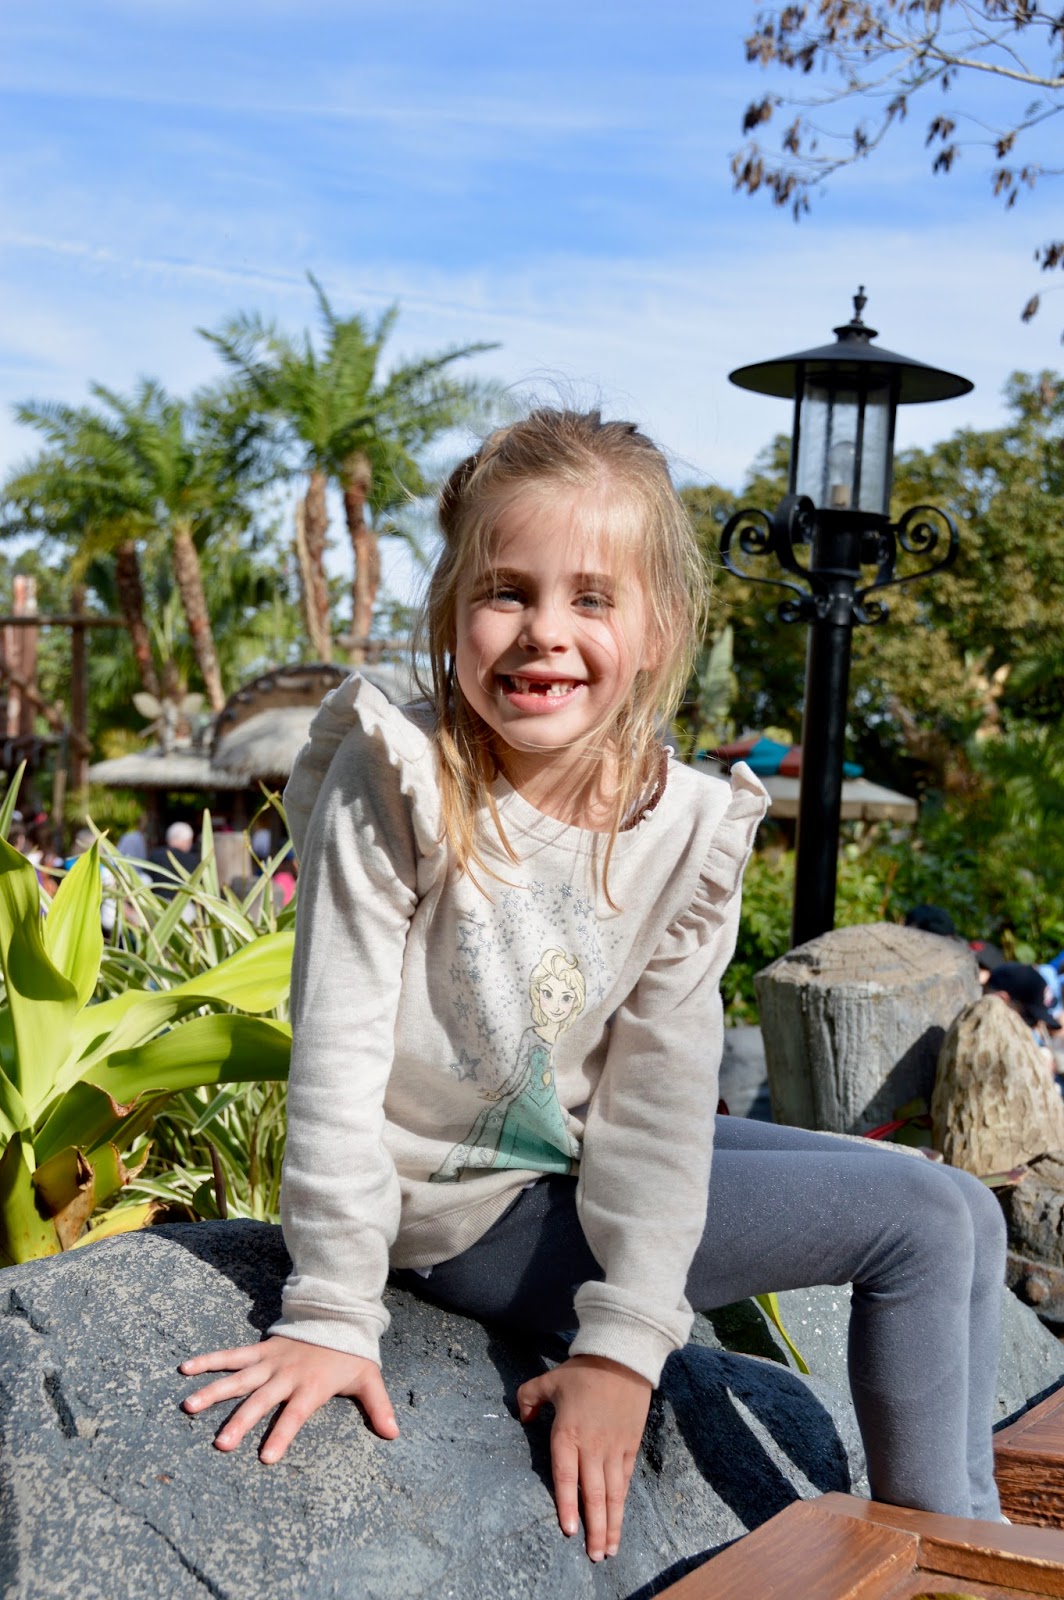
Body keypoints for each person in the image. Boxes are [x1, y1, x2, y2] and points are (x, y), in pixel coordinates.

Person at [181, 409, 1006, 1558]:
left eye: (590, 598)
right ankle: (950, 1561)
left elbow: (657, 1095)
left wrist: (623, 1343)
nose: (543, 633)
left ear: (657, 628)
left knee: (958, 1202)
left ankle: (977, 1541)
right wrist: (331, 1310)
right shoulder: (401, 776)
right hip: (463, 1208)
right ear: (451, 607)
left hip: (569, 1152)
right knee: (915, 1224)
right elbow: (337, 1057)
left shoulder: (680, 823)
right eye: (505, 591)